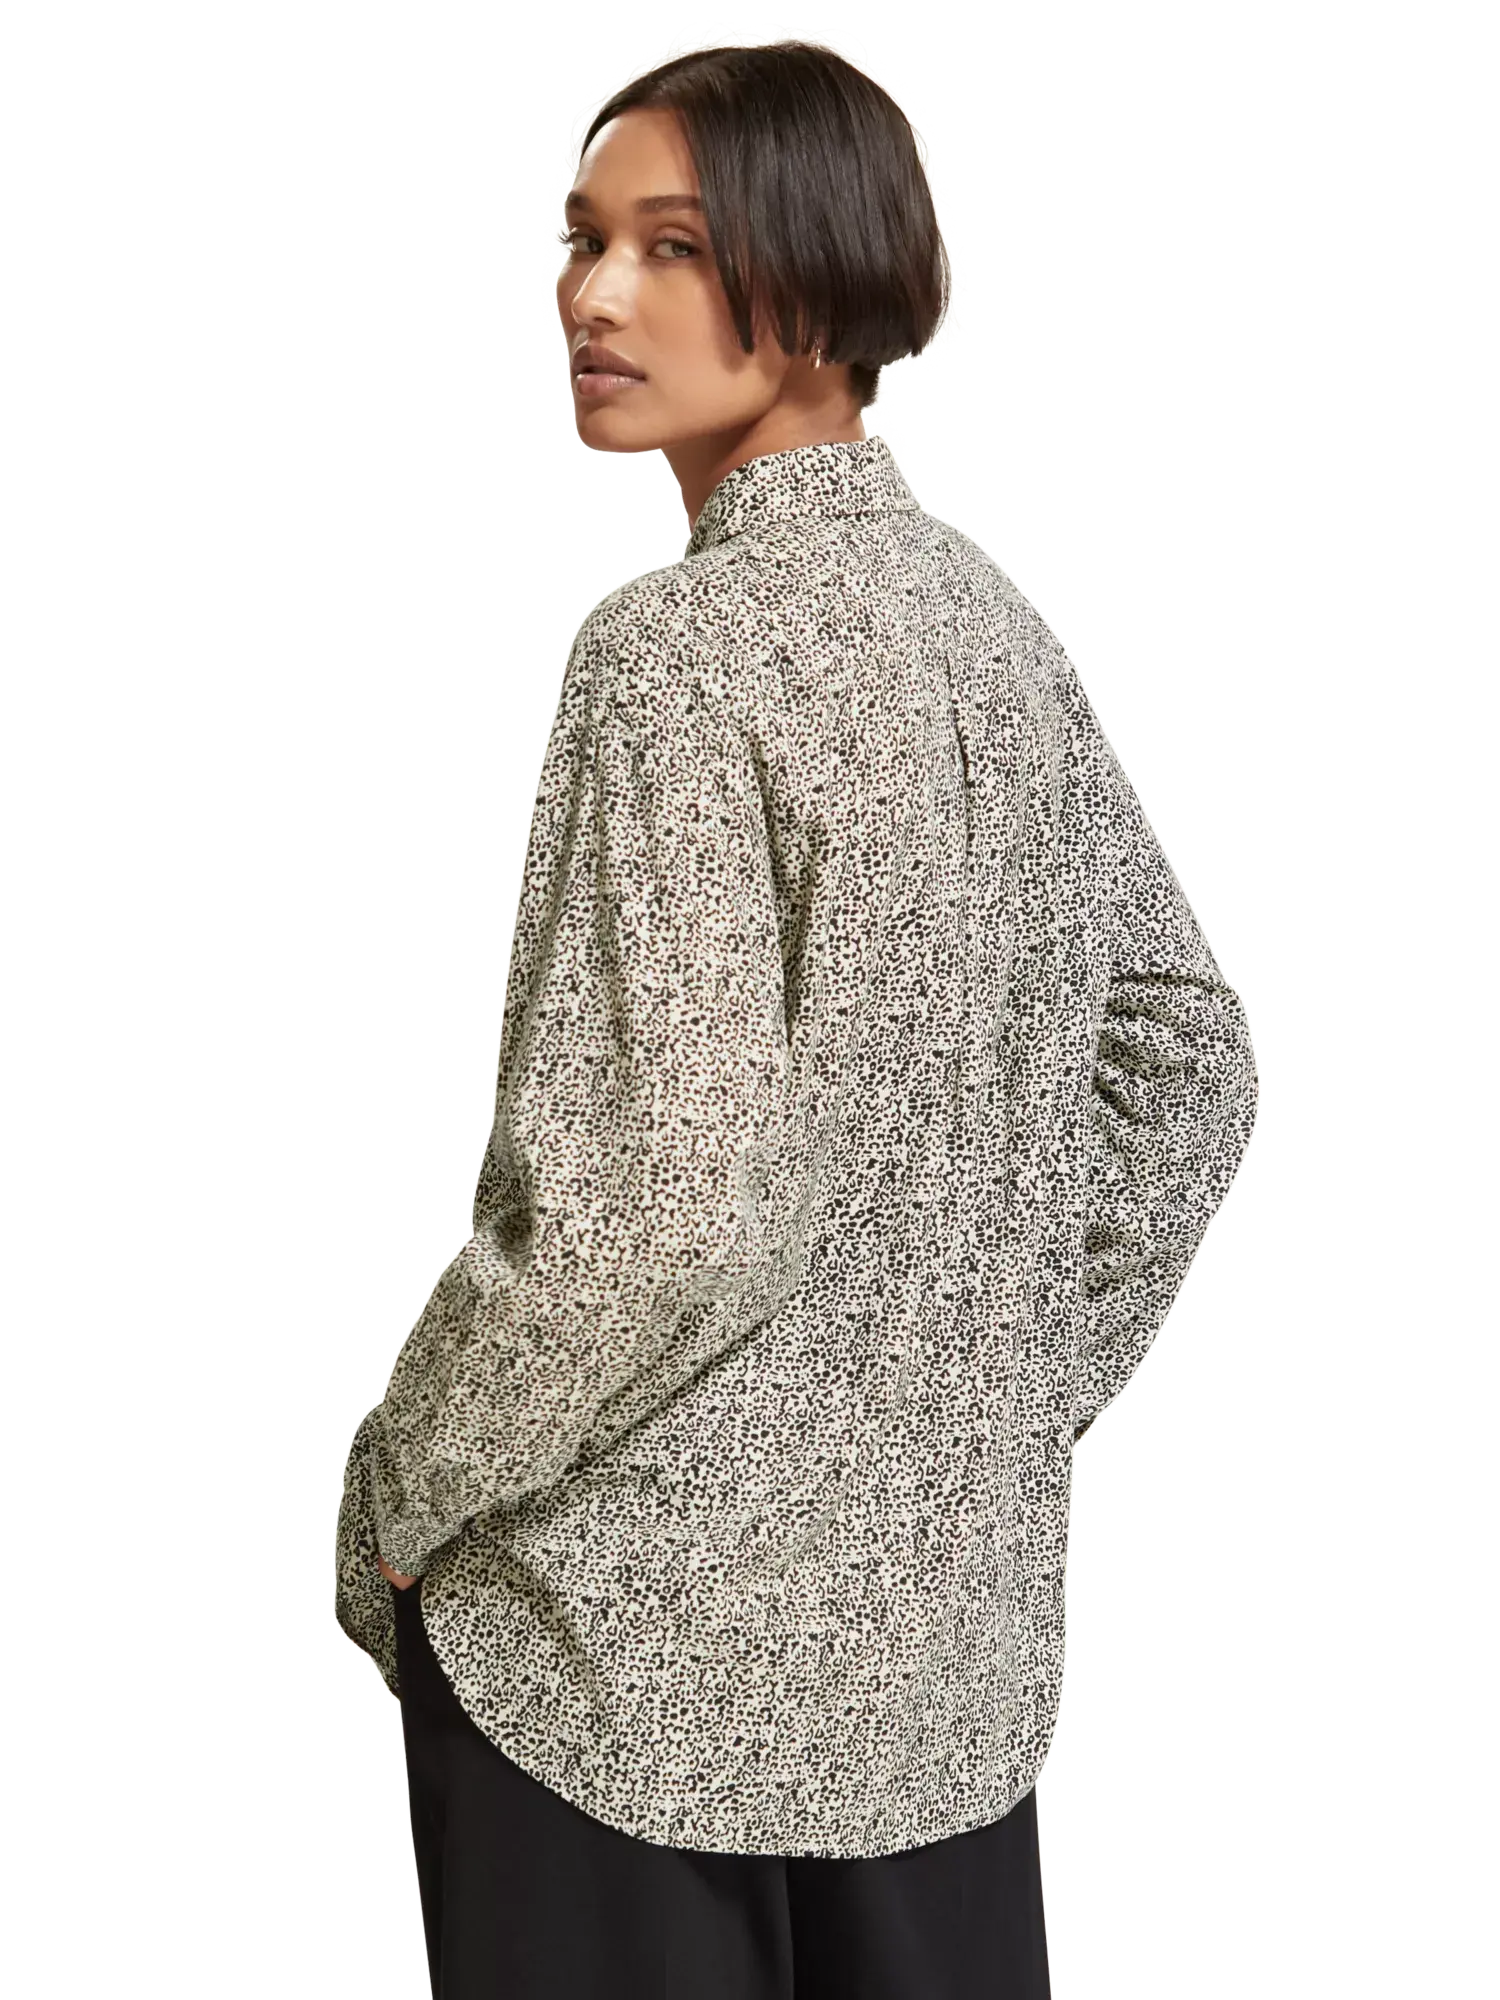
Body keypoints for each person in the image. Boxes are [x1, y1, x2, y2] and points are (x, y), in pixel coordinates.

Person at [334, 38, 1259, 2000]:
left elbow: (662, 1206)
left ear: (825, 272)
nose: (590, 297)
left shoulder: (671, 651)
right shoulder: (995, 626)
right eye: (581, 238)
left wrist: (401, 1495)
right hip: (935, 1669)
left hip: (610, 1666)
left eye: (670, 246)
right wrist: (975, 1402)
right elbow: (1188, 1063)